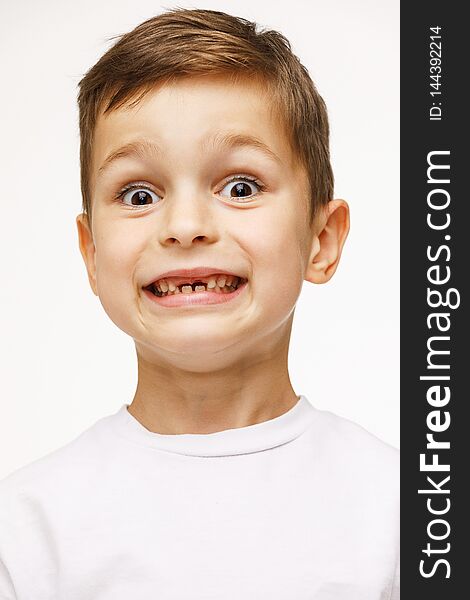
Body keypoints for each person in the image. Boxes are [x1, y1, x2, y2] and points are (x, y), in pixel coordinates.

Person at [0, 7, 399, 599]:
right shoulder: (27, 529)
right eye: (139, 194)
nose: (184, 226)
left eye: (240, 187)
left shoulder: (404, 514)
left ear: (321, 240)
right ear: (90, 252)